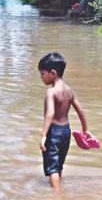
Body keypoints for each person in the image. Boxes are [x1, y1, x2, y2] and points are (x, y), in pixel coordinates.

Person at [38, 52, 90, 191]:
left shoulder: (51, 91)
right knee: (58, 164)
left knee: (52, 167)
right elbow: (81, 111)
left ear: (53, 73)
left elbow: (50, 113)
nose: (41, 77)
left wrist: (43, 135)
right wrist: (86, 130)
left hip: (53, 132)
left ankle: (57, 196)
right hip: (66, 131)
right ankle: (58, 187)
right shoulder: (69, 91)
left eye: (43, 73)